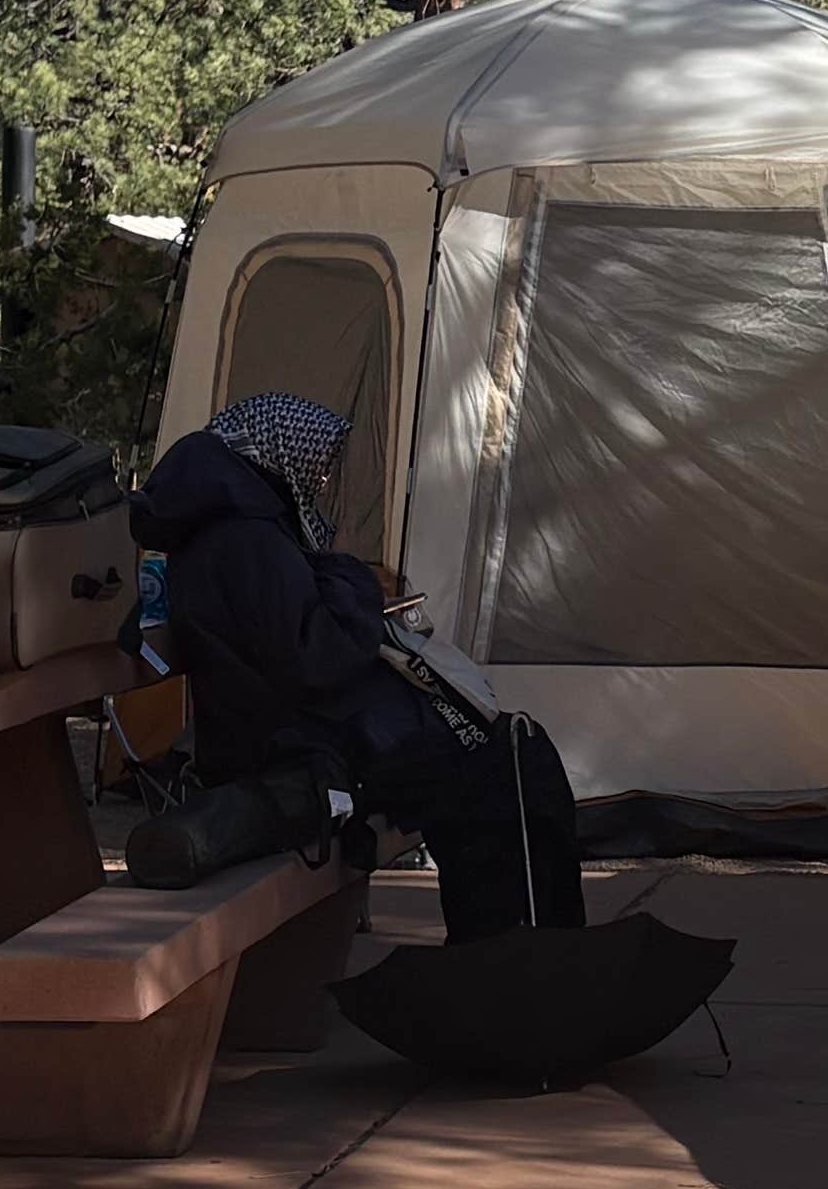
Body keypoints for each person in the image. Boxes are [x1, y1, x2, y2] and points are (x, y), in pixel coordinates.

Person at [129, 392, 585, 939]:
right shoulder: (243, 538)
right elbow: (316, 660)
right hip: (296, 750)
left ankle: (508, 950)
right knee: (504, 769)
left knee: (510, 758)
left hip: (302, 733)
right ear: (278, 453)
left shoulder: (242, 525)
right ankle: (509, 955)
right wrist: (351, 580)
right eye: (317, 467)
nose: (322, 483)